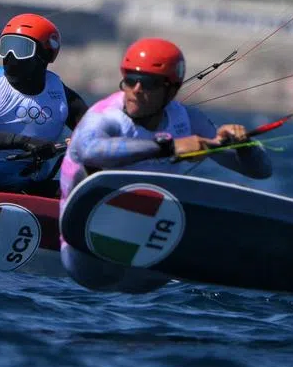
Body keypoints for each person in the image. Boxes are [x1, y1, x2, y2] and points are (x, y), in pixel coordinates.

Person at [59, 37, 272, 292]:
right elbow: (87, 151)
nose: (136, 89)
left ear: (171, 90)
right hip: (86, 254)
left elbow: (260, 172)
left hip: (153, 257)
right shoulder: (105, 116)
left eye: (148, 83)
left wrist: (243, 146)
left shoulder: (187, 119)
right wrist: (169, 147)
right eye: (129, 79)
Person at [0, 13, 90, 197]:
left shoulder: (61, 94)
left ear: (46, 54)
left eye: (21, 48)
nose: (11, 56)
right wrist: (24, 143)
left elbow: (95, 131)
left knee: (78, 191)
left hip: (32, 185)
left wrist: (79, 143)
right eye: (6, 46)